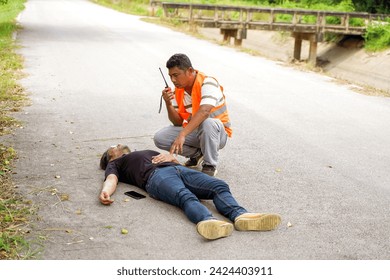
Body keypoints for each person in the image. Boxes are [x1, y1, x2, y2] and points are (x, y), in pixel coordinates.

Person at [99, 144, 281, 240]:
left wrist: (173, 158)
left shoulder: (143, 151)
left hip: (179, 169)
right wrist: (106, 192)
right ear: (110, 157)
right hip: (155, 178)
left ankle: (240, 216)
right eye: (113, 147)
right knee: (185, 196)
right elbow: (111, 179)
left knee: (219, 186)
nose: (119, 144)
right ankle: (208, 221)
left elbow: (174, 160)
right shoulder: (116, 164)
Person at [154, 53, 232, 176]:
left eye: (176, 75)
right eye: (170, 76)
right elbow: (177, 122)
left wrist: (182, 134)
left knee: (207, 122)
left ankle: (210, 165)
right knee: (160, 137)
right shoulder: (178, 91)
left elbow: (205, 111)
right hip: (195, 132)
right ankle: (197, 155)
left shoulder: (208, 82)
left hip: (217, 134)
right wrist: (168, 103)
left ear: (189, 71)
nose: (173, 80)